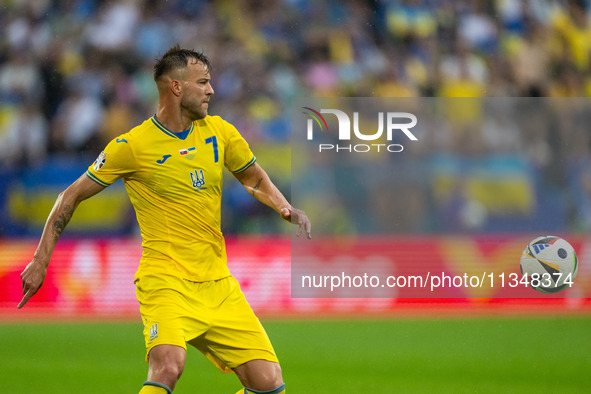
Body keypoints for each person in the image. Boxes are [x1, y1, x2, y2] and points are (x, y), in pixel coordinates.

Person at [18, 45, 311, 394]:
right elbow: (70, 196)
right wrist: (40, 260)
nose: (211, 90)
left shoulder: (220, 132)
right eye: (202, 82)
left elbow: (252, 177)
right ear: (176, 87)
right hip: (166, 281)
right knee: (169, 365)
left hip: (218, 283)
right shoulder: (133, 145)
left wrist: (283, 207)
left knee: (269, 384)